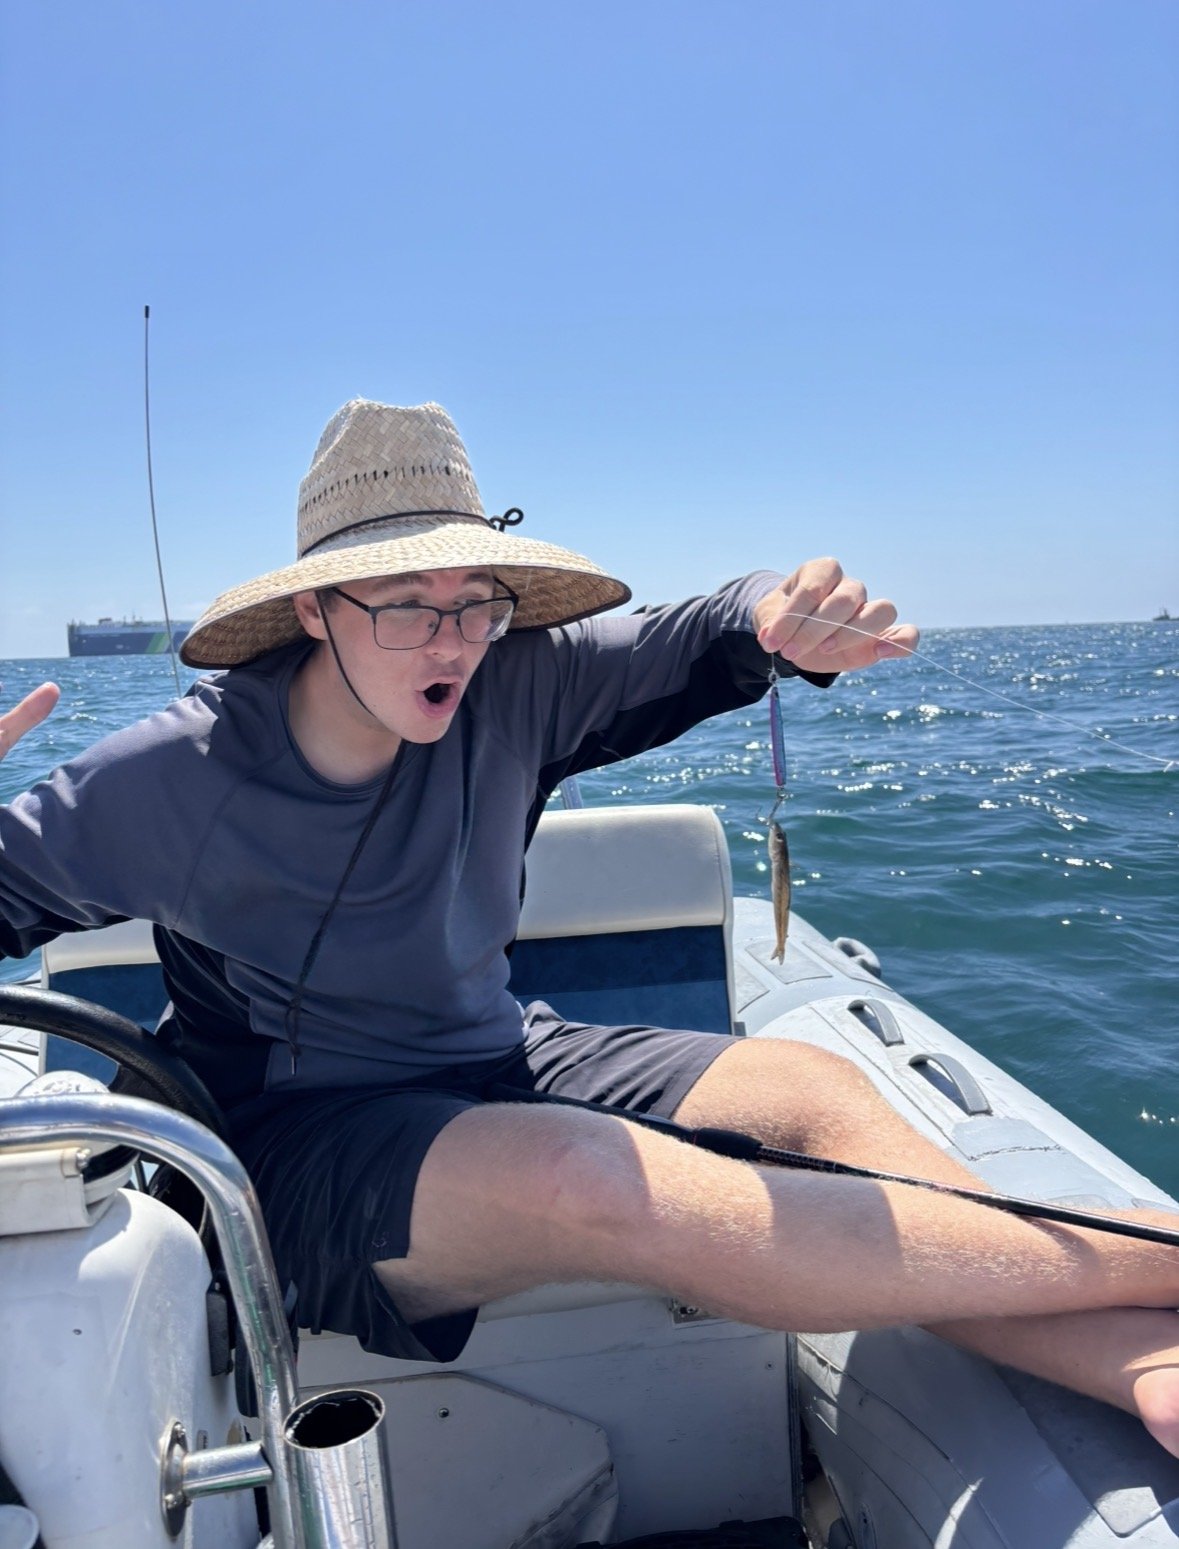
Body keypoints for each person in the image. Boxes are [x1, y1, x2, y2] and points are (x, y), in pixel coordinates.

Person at [1, 399, 1176, 1457]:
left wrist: (780, 610)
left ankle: (1135, 1366)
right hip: (294, 1136)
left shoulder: (516, 680)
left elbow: (704, 630)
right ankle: (1155, 1247)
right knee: (588, 1178)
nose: (454, 642)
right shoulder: (175, 775)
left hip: (497, 1051)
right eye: (407, 604)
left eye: (477, 602)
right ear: (314, 608)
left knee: (807, 1091)